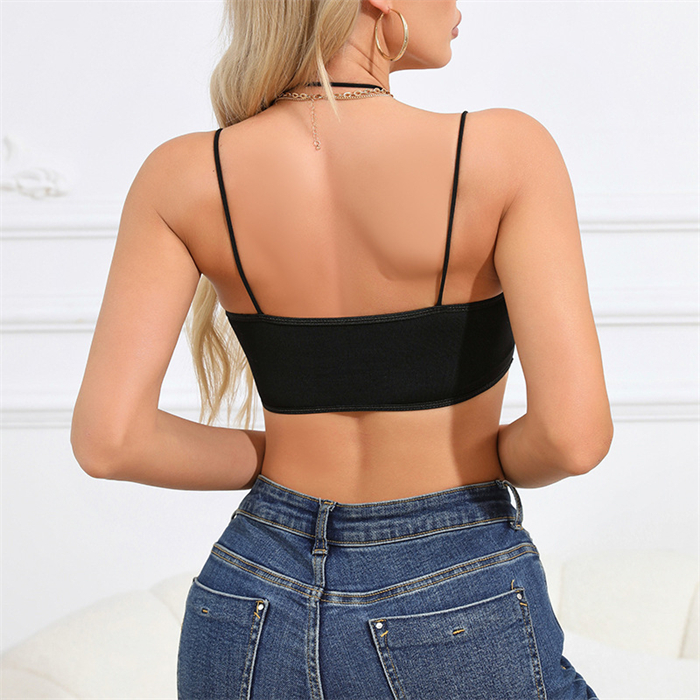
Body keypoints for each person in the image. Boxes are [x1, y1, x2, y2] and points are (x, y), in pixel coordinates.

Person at [71, 0, 613, 697]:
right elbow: (573, 439)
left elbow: (111, 442)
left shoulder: (182, 174)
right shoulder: (505, 152)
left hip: (248, 593)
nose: (459, 6)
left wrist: (284, 461)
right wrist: (482, 455)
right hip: (448, 588)